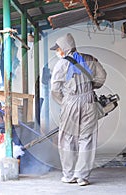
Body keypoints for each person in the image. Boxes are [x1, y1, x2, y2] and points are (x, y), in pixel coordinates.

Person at [50, 33, 107, 186]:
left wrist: (64, 103)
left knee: (67, 138)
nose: (57, 52)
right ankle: (82, 177)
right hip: (89, 101)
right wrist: (90, 87)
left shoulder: (61, 64)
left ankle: (68, 175)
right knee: (86, 139)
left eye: (58, 49)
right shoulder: (90, 59)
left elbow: (55, 89)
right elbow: (102, 76)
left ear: (63, 49)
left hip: (71, 102)